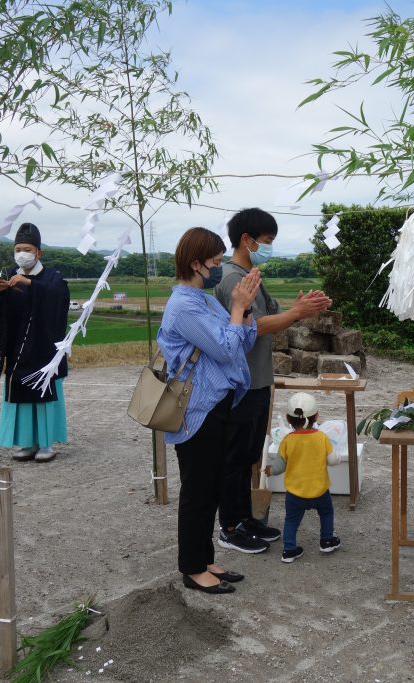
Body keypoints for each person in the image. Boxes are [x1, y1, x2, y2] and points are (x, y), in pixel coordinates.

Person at [213, 208, 331, 554]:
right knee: (234, 458)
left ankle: (246, 519)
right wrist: (297, 314)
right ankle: (230, 526)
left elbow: (272, 317)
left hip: (258, 379)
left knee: (249, 455)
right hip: (240, 384)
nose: (269, 248)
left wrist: (297, 308)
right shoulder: (233, 278)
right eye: (266, 242)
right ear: (246, 240)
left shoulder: (250, 274)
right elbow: (255, 326)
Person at [156, 226, 261, 594]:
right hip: (197, 411)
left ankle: (205, 558)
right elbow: (224, 350)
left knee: (213, 487)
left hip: (218, 406)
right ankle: (191, 567)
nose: (219, 266)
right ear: (197, 262)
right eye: (215, 261)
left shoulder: (203, 300)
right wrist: (236, 308)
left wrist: (243, 310)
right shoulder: (184, 305)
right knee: (198, 490)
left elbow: (243, 340)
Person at [0, 222, 70, 463]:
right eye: (18, 249)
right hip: (17, 349)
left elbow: (59, 298)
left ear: (39, 252)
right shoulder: (6, 275)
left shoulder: (53, 278)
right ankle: (26, 443)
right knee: (20, 396)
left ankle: (46, 444)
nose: (22, 254)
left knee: (44, 395)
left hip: (45, 349)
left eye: (27, 248)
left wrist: (30, 284)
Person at [266, 392, 341, 563]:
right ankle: (327, 540)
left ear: (287, 418)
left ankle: (289, 549)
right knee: (327, 512)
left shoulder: (287, 440)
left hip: (295, 493)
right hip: (320, 491)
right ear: (316, 416)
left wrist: (269, 470)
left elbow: (279, 467)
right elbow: (333, 459)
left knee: (291, 520)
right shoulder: (321, 437)